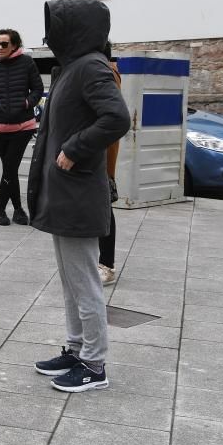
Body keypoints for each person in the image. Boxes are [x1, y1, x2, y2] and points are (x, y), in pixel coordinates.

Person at [29, 0, 130, 393]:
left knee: (84, 279)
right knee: (71, 279)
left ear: (75, 29)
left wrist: (74, 148)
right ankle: (75, 349)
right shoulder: (73, 67)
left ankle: (94, 362)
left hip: (78, 191)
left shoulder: (90, 67)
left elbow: (117, 117)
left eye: (56, 27)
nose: (49, 35)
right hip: (64, 192)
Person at [0, 29, 44, 225]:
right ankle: (18, 210)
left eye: (4, 44)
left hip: (22, 127)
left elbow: (38, 89)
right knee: (10, 169)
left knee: (10, 167)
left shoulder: (27, 63)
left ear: (14, 45)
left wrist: (25, 103)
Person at [99, 42, 123, 285]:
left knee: (103, 208)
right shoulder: (101, 70)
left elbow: (115, 118)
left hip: (99, 157)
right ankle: (100, 262)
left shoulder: (105, 73)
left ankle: (106, 264)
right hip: (95, 156)